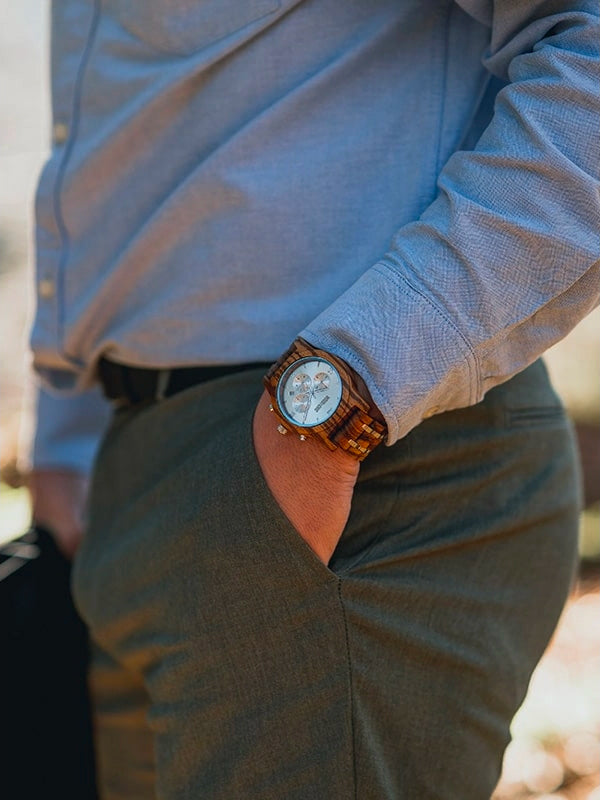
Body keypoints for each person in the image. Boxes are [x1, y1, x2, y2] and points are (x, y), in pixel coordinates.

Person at [27, 1, 599, 797]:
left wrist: (339, 401)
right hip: (138, 481)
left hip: (362, 485)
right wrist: (68, 428)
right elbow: (133, 136)